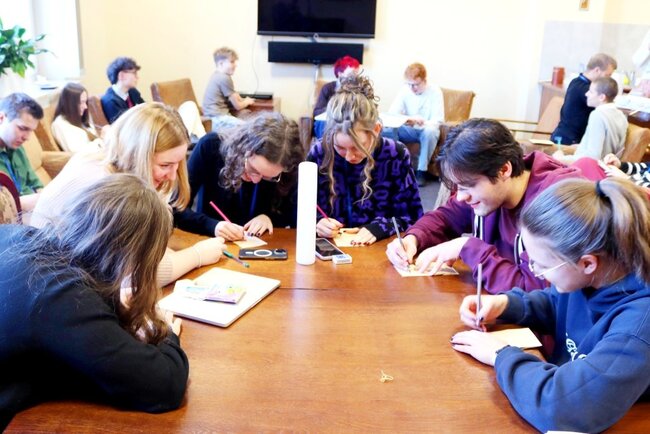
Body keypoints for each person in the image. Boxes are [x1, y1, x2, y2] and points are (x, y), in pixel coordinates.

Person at [451, 177, 650, 433]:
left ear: (588, 263)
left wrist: (501, 356)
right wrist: (506, 304)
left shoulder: (639, 325)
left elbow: (562, 407)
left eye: (543, 265)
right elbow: (556, 303)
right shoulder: (595, 277)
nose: (535, 271)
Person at [0, 174, 189, 430]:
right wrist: (164, 332)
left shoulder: (18, 236)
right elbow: (165, 385)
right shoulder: (65, 298)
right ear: (133, 257)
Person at [31, 103, 224, 286]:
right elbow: (138, 277)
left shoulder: (111, 161)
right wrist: (197, 255)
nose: (173, 176)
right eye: (165, 165)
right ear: (137, 154)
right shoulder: (103, 183)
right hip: (53, 281)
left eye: (177, 164)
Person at [385, 118, 583, 293]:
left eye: (467, 186)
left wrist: (467, 248)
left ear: (503, 170)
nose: (460, 197)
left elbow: (537, 291)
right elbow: (445, 217)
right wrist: (413, 238)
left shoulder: (558, 202)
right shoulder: (486, 190)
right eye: (457, 187)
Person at [307, 75, 423, 245]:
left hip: (379, 249)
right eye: (340, 147)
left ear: (376, 130)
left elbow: (413, 217)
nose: (349, 156)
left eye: (357, 147)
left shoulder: (395, 155)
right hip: (330, 248)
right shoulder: (320, 154)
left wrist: (381, 227)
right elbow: (299, 210)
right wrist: (317, 222)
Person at [174, 112, 304, 240]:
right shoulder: (210, 147)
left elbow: (292, 215)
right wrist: (213, 226)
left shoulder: (288, 169)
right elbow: (176, 209)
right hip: (209, 243)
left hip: (262, 247)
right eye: (252, 169)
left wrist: (269, 219)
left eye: (268, 177)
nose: (255, 180)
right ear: (243, 148)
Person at [383, 62, 444, 186]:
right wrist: (409, 119)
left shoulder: (435, 91)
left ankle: (422, 171)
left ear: (424, 80)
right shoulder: (405, 90)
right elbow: (392, 114)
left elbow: (438, 120)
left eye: (416, 84)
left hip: (426, 129)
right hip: (409, 129)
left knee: (430, 132)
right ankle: (394, 167)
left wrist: (421, 122)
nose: (412, 88)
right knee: (387, 129)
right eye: (409, 84)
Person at [553, 77, 628, 164]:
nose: (586, 94)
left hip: (586, 168)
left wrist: (561, 159)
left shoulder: (598, 115)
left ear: (602, 97)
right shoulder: (622, 116)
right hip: (609, 166)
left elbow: (592, 157)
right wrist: (582, 146)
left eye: (591, 92)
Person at [551, 53, 617, 145]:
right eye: (607, 75)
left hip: (563, 136)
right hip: (570, 142)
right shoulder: (587, 90)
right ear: (597, 70)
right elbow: (606, 106)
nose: (608, 80)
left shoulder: (576, 81)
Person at [0, 92, 44, 212]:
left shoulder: (17, 147)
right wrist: (22, 203)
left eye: (31, 131)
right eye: (23, 128)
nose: (27, 137)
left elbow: (36, 184)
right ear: (1, 118)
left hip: (35, 212)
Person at [202, 47, 254, 131]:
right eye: (232, 62)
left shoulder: (216, 75)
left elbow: (235, 95)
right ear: (221, 63)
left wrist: (242, 99)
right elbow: (238, 106)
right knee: (249, 129)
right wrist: (247, 102)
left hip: (212, 117)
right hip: (218, 118)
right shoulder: (224, 78)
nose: (235, 65)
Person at [51, 82, 104, 153]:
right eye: (81, 102)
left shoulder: (78, 117)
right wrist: (100, 141)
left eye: (85, 102)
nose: (85, 107)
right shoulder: (60, 124)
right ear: (70, 104)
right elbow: (79, 152)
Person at [100, 56, 145, 124]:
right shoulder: (110, 102)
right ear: (121, 76)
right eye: (134, 73)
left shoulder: (133, 92)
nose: (137, 77)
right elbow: (123, 126)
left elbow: (146, 110)